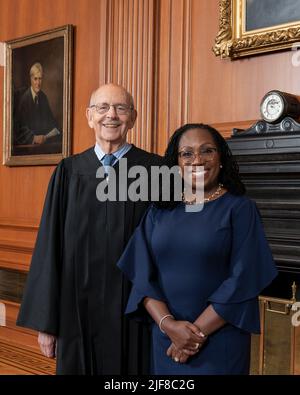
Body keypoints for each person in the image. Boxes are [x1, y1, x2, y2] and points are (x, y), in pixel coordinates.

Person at [17, 83, 162, 375]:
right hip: (76, 314)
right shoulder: (69, 172)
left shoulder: (155, 171)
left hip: (135, 313)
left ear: (133, 118)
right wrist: (47, 324)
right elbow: (49, 247)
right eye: (103, 107)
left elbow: (170, 248)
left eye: (121, 108)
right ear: (89, 116)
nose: (112, 115)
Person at [117, 123, 278, 375]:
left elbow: (243, 279)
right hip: (166, 339)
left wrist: (193, 336)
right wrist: (169, 325)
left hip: (220, 338)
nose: (197, 160)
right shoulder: (158, 211)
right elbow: (142, 276)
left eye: (207, 151)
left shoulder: (240, 209)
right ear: (176, 163)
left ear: (221, 158)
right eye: (187, 153)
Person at [14, 62, 60, 145]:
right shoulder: (24, 99)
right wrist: (33, 138)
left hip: (42, 144)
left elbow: (50, 122)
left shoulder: (43, 98)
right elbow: (19, 128)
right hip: (29, 147)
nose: (38, 83)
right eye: (35, 79)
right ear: (31, 79)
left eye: (40, 78)